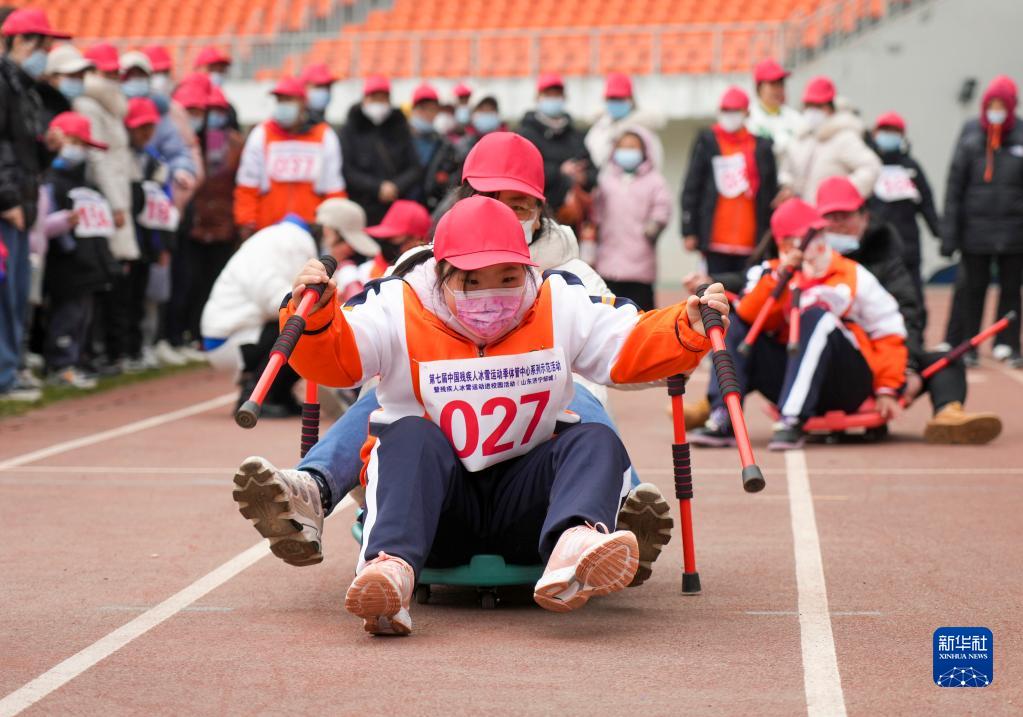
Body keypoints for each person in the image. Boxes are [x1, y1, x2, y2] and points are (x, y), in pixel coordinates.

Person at [231, 195, 727, 633]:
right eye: (471, 281)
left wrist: (686, 326)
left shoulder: (558, 300)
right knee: (406, 435)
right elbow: (340, 360)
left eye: (508, 278)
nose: (491, 294)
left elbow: (629, 342)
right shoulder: (398, 303)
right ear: (441, 270)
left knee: (594, 436)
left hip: (528, 510)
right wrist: (316, 320)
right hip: (440, 511)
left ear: (527, 268)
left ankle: (575, 543)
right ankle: (390, 569)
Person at [690, 198, 907, 451]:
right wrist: (782, 278)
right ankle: (723, 417)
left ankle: (791, 417)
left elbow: (889, 329)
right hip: (787, 375)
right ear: (785, 244)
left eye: (820, 234)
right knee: (734, 322)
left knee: (816, 317)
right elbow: (750, 315)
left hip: (844, 381)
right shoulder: (766, 273)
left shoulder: (854, 274)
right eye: (809, 236)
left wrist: (887, 387)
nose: (819, 241)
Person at [816, 176, 1001, 443]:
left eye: (845, 215)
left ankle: (948, 413)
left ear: (864, 217)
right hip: (835, 360)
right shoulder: (806, 256)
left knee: (945, 357)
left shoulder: (887, 258)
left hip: (884, 356)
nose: (838, 225)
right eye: (830, 217)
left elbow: (908, 313)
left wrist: (907, 367)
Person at [0, 8, 67, 401]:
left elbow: (23, 151)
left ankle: (13, 369)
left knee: (20, 294)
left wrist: (47, 149)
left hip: (22, 203)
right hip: (9, 205)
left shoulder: (22, 85)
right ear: (21, 41)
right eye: (44, 44)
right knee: (7, 295)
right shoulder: (5, 82)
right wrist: (7, 198)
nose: (47, 52)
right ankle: (6, 374)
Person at [200, 214, 324, 416]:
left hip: (242, 330)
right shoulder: (288, 242)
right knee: (301, 327)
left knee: (303, 324)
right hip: (228, 339)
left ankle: (279, 394)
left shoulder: (275, 239)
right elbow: (274, 301)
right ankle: (254, 395)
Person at [941, 75, 1023, 367]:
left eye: (1002, 105)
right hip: (975, 232)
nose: (996, 110)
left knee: (1012, 291)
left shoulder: (1020, 135)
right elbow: (954, 185)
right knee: (970, 290)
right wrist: (948, 234)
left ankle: (1007, 343)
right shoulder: (970, 133)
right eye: (992, 104)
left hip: (1014, 233)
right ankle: (967, 344)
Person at [75, 43, 145, 371]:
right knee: (102, 278)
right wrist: (116, 205)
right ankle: (99, 351)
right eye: (106, 72)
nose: (113, 78)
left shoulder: (112, 106)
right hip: (104, 201)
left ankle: (111, 350)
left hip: (117, 197)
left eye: (115, 72)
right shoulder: (90, 106)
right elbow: (100, 159)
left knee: (117, 277)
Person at [39, 112, 115, 388]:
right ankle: (59, 364)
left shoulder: (88, 185)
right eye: (78, 143)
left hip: (88, 267)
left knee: (82, 318)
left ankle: (75, 360)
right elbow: (41, 225)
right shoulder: (50, 181)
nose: (83, 152)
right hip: (66, 267)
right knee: (66, 317)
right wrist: (66, 237)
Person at [680, 86, 778, 274]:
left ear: (747, 112)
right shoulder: (707, 141)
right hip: (715, 240)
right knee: (714, 296)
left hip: (751, 243)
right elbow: (692, 187)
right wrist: (689, 230)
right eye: (725, 110)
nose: (730, 115)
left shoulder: (762, 146)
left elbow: (769, 192)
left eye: (735, 111)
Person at [234, 76, 345, 237]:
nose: (283, 105)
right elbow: (247, 183)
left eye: (289, 100)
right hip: (268, 229)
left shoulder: (324, 135)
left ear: (302, 103)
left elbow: (334, 187)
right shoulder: (261, 134)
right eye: (280, 100)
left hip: (311, 229)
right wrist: (246, 220)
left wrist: (334, 227)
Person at [867, 111, 941, 324]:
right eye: (885, 131)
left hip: (909, 246)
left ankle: (916, 343)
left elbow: (926, 202)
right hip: (877, 247)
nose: (889, 136)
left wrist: (940, 233)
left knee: (913, 297)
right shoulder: (869, 166)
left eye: (894, 131)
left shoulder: (911, 168)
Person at [591, 125, 671, 311]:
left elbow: (662, 208)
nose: (627, 151)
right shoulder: (605, 180)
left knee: (641, 317)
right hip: (607, 262)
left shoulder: (654, 181)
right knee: (609, 314)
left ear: (644, 150)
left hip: (640, 264)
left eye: (633, 147)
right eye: (623, 147)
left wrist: (653, 226)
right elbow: (595, 214)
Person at [778, 75, 881, 202]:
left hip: (833, 216)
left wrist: (841, 194)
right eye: (808, 105)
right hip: (805, 215)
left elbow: (871, 167)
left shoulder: (844, 137)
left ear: (830, 108)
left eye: (817, 106)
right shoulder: (801, 138)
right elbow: (786, 170)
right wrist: (787, 186)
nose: (811, 111)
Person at [118, 51, 200, 207]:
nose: (136, 80)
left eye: (140, 75)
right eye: (131, 75)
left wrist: (181, 169)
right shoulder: (113, 111)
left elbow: (176, 151)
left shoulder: (162, 112)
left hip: (155, 191)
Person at [339, 75, 422, 226]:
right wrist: (377, 187)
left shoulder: (400, 128)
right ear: (364, 100)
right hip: (361, 209)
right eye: (374, 98)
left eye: (382, 98)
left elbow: (414, 167)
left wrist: (395, 186)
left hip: (396, 208)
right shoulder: (350, 130)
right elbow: (347, 170)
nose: (378, 103)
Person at [517, 73, 596, 224]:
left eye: (557, 94)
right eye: (548, 94)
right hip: (536, 218)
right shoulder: (526, 134)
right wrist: (559, 171)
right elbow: (523, 172)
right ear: (538, 97)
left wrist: (583, 177)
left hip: (570, 220)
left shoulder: (573, 135)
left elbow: (593, 171)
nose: (553, 98)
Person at [336, 199, 430, 298]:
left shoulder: (421, 279)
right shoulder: (366, 268)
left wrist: (350, 282)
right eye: (385, 236)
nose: (386, 241)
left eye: (392, 237)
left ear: (416, 239)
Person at [584, 72, 665, 170]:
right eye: (612, 98)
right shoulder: (600, 128)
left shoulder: (644, 129)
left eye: (619, 98)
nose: (615, 102)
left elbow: (654, 162)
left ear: (630, 99)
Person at [407, 83, 459, 212]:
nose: (429, 114)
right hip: (403, 204)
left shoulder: (443, 145)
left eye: (433, 109)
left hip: (430, 207)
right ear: (414, 110)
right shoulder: (400, 140)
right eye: (424, 109)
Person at [746, 58, 804, 165]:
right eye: (773, 84)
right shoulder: (748, 118)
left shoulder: (795, 117)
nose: (778, 89)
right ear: (759, 87)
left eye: (781, 84)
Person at [40, 43, 92, 123]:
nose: (78, 81)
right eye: (72, 75)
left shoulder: (78, 107)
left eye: (81, 76)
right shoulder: (40, 107)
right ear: (52, 77)